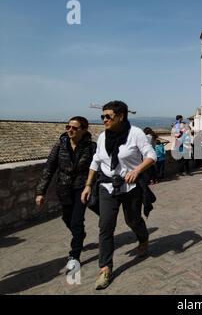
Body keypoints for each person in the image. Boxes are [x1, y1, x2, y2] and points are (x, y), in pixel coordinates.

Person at [81, 101, 156, 290]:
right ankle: (105, 269)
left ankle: (143, 237)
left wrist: (137, 170)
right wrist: (88, 185)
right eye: (102, 116)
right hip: (107, 186)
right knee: (105, 226)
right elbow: (96, 161)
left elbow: (151, 155)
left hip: (130, 187)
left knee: (132, 220)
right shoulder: (102, 137)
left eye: (108, 116)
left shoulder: (135, 134)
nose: (104, 120)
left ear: (121, 116)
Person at [35, 116, 99, 270]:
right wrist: (40, 192)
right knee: (67, 218)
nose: (70, 130)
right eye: (68, 127)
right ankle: (80, 235)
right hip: (63, 188)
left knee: (77, 221)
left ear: (84, 130)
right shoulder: (60, 145)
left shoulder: (91, 147)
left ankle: (74, 255)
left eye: (75, 128)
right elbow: (49, 169)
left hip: (81, 188)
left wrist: (92, 186)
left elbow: (97, 167)